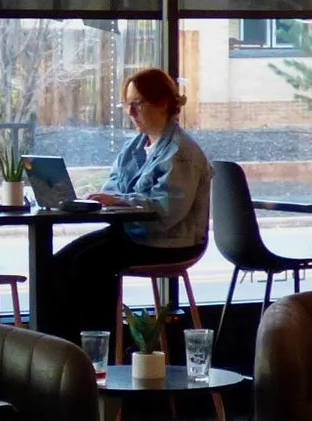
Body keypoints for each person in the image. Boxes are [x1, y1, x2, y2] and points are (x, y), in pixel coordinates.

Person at [34, 68, 212, 343]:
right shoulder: (135, 147)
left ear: (163, 103)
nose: (130, 112)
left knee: (88, 265)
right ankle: (58, 348)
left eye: (138, 103)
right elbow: (113, 187)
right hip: (135, 234)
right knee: (55, 265)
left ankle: (95, 351)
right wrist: (100, 199)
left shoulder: (181, 152)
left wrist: (119, 200)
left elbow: (168, 211)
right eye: (127, 104)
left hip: (170, 241)